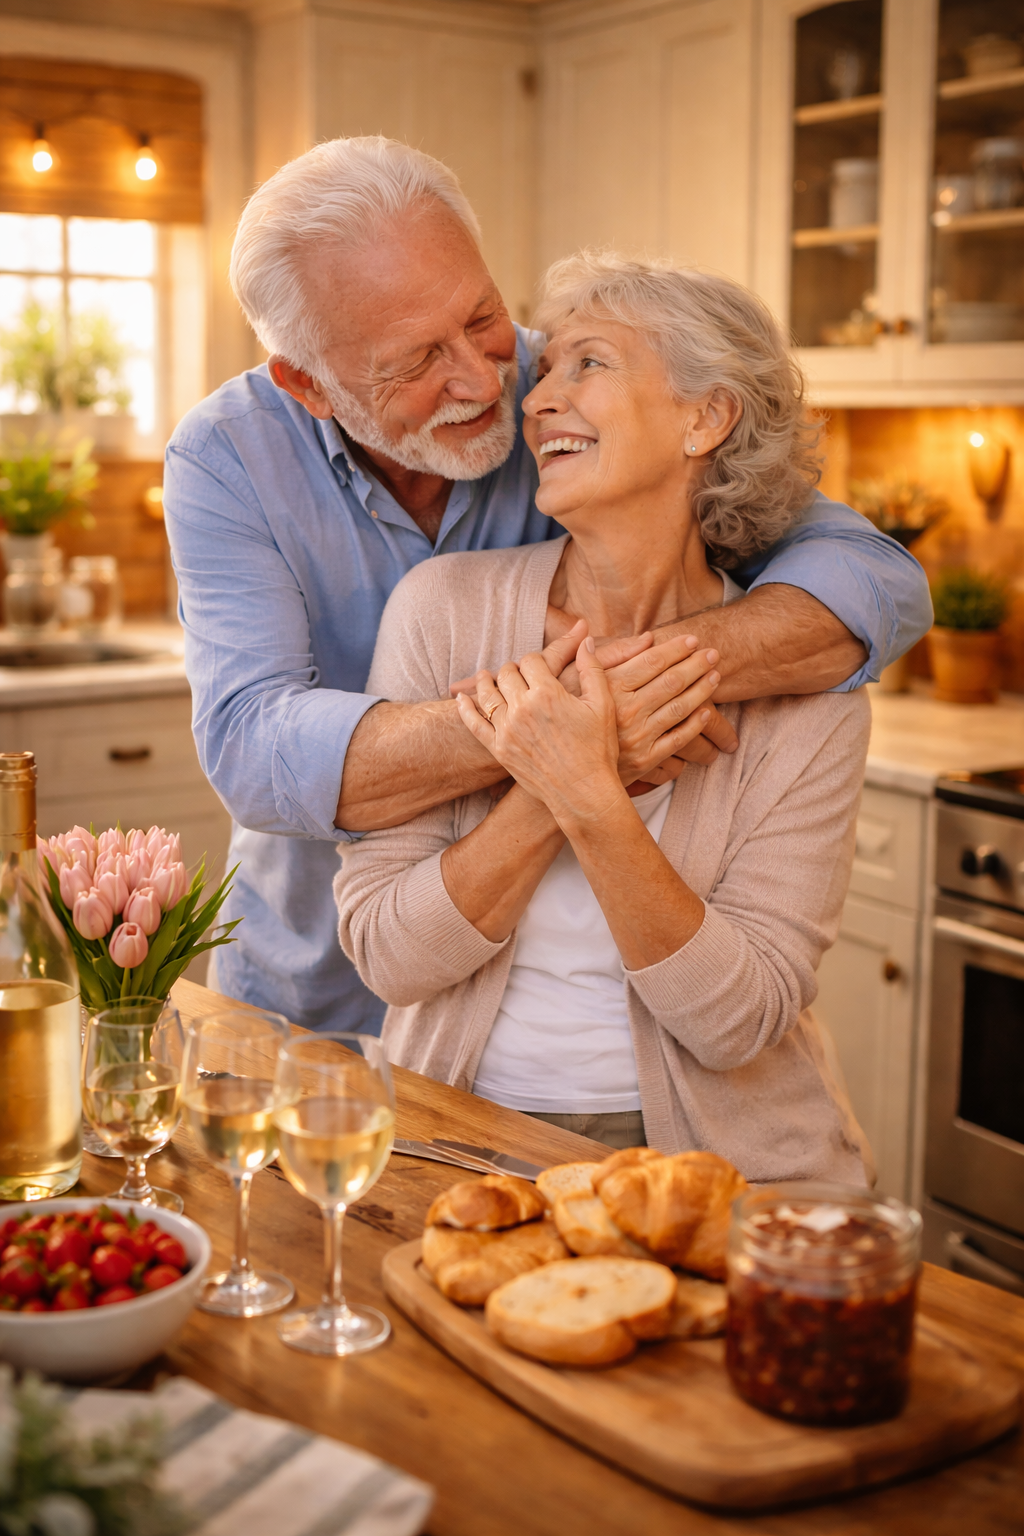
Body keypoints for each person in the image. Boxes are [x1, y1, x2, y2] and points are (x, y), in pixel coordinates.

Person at [164, 135, 930, 1036]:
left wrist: (607, 692)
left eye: (483, 316)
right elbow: (256, 752)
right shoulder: (227, 457)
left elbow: (873, 579)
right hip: (312, 987)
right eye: (414, 362)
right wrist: (576, 727)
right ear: (310, 385)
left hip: (525, 1029)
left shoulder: (569, 390)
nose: (489, 382)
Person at [335, 253, 874, 1183]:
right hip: (452, 1145)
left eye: (589, 364)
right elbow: (389, 954)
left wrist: (590, 796)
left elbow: (738, 1019)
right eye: (545, 375)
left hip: (723, 1168)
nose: (538, 403)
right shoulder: (442, 611)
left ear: (706, 417)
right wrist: (564, 778)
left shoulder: (811, 686)